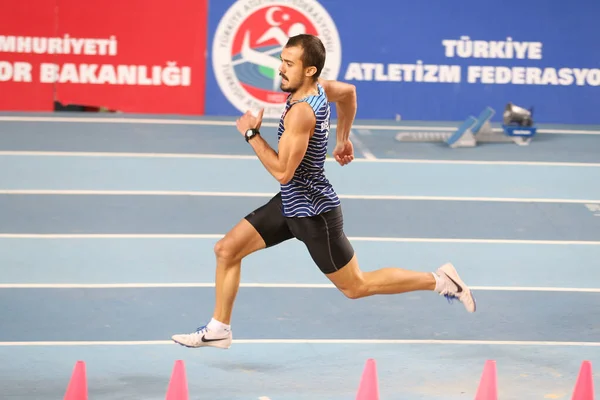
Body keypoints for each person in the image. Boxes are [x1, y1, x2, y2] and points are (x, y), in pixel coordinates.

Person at [171, 34, 476, 349]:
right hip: (290, 205)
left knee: (356, 286)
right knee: (227, 250)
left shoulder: (302, 112)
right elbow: (348, 93)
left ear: (309, 71)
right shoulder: (321, 89)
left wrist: (251, 134)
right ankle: (219, 328)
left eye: (289, 64)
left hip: (315, 216)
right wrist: (342, 138)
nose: (280, 69)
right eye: (282, 61)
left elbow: (282, 171)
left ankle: (440, 280)